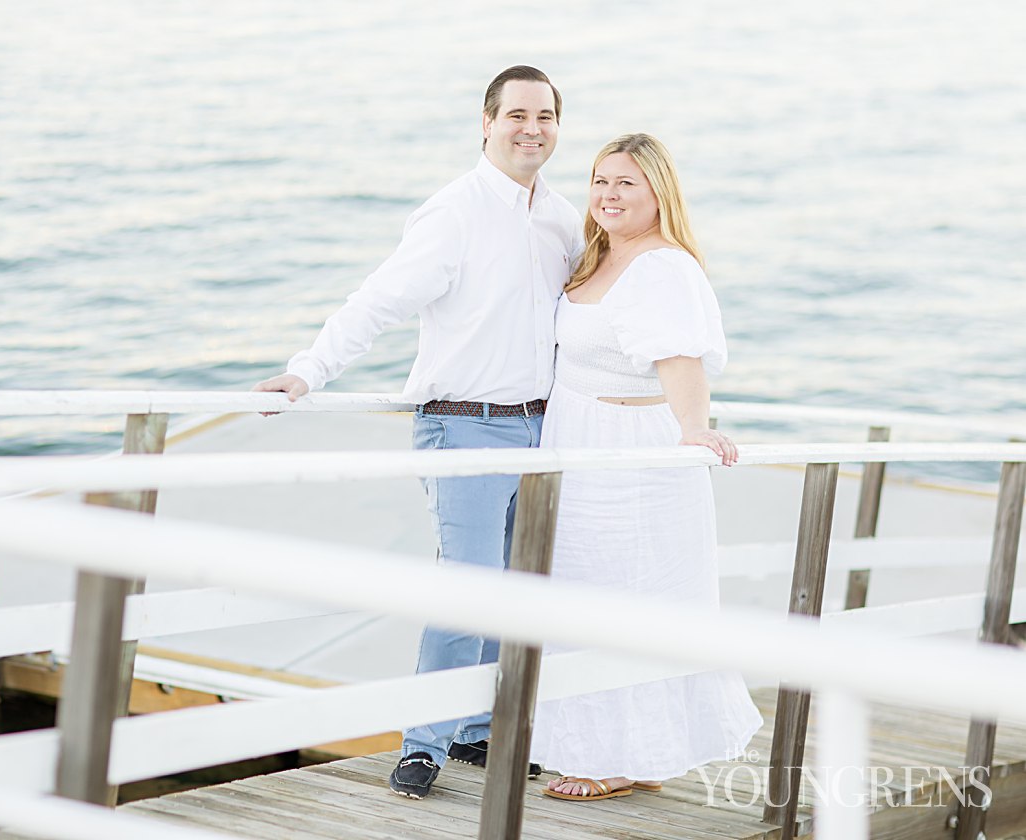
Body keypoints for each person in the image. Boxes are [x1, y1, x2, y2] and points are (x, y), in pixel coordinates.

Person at [253, 65, 581, 799]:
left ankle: (475, 732)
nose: (532, 128)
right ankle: (425, 743)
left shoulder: (563, 218)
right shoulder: (454, 212)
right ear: (487, 122)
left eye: (546, 116)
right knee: (465, 593)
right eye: (517, 115)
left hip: (543, 432)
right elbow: (376, 303)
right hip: (463, 428)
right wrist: (308, 370)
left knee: (516, 593)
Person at [527, 133, 763, 801]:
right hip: (577, 439)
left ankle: (621, 756)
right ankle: (619, 749)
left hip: (630, 453)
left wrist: (694, 431)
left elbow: (678, 359)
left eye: (626, 183)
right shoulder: (597, 256)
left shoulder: (662, 267)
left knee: (624, 595)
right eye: (601, 181)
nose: (608, 194)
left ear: (660, 192)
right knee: (580, 592)